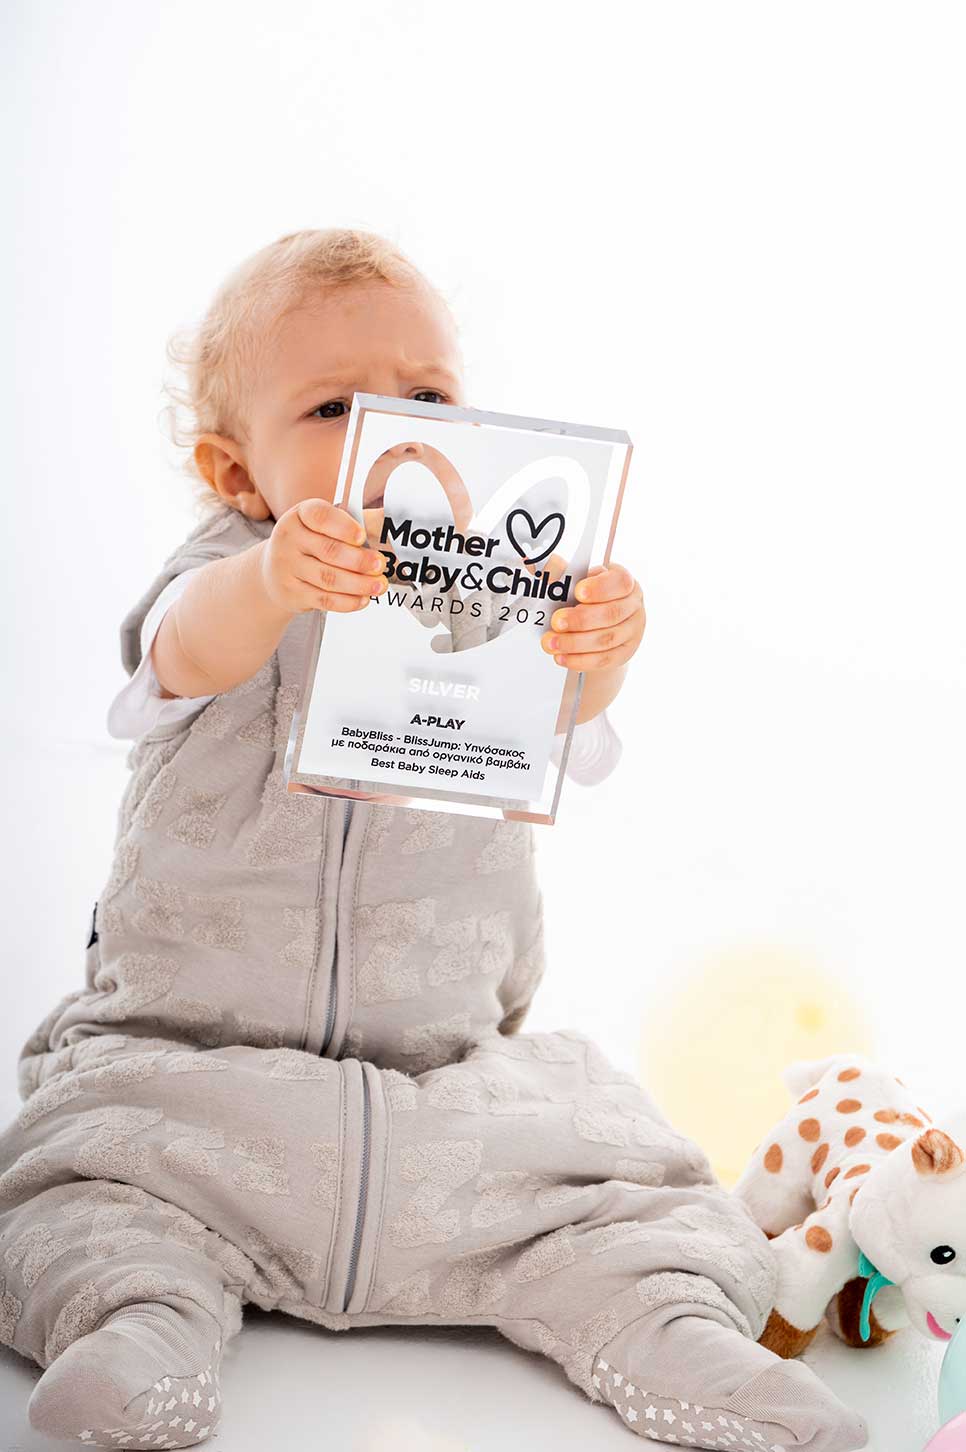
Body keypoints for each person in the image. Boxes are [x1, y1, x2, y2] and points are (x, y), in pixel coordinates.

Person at [0, 229, 866, 1451]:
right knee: (77, 1189)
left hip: (443, 1093)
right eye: (333, 409)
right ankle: (139, 1321)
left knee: (628, 1187)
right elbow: (183, 650)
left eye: (429, 399)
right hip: (195, 1083)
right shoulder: (225, 578)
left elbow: (569, 725)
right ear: (237, 473)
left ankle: (664, 1326)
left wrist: (595, 655)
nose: (396, 436)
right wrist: (276, 584)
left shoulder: (492, 592)